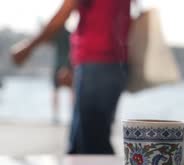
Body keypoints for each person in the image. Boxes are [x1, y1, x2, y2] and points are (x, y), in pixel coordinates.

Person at [11, 0, 131, 154]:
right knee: (87, 142)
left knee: (90, 146)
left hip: (95, 64)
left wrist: (28, 48)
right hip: (115, 65)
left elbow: (65, 12)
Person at [51, 26, 73, 124]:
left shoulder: (55, 35)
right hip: (68, 65)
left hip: (59, 65)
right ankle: (72, 115)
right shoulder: (70, 34)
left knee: (55, 91)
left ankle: (55, 116)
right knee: (72, 92)